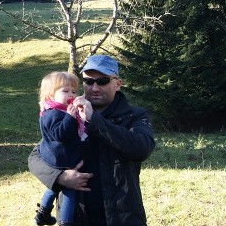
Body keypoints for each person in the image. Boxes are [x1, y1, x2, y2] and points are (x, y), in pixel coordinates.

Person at [28, 55, 156, 226]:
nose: (95, 87)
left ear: (117, 84)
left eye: (102, 81)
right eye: (88, 81)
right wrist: (59, 177)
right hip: (76, 217)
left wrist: (95, 120)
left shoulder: (134, 115)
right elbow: (36, 157)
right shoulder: (68, 115)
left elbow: (142, 148)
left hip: (122, 218)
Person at [34, 72, 88, 226]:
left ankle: (43, 213)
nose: (71, 94)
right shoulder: (52, 114)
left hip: (59, 156)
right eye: (65, 91)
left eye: (74, 91)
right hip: (61, 157)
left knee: (55, 185)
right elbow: (60, 134)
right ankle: (65, 221)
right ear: (50, 95)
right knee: (70, 188)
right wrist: (70, 118)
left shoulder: (59, 111)